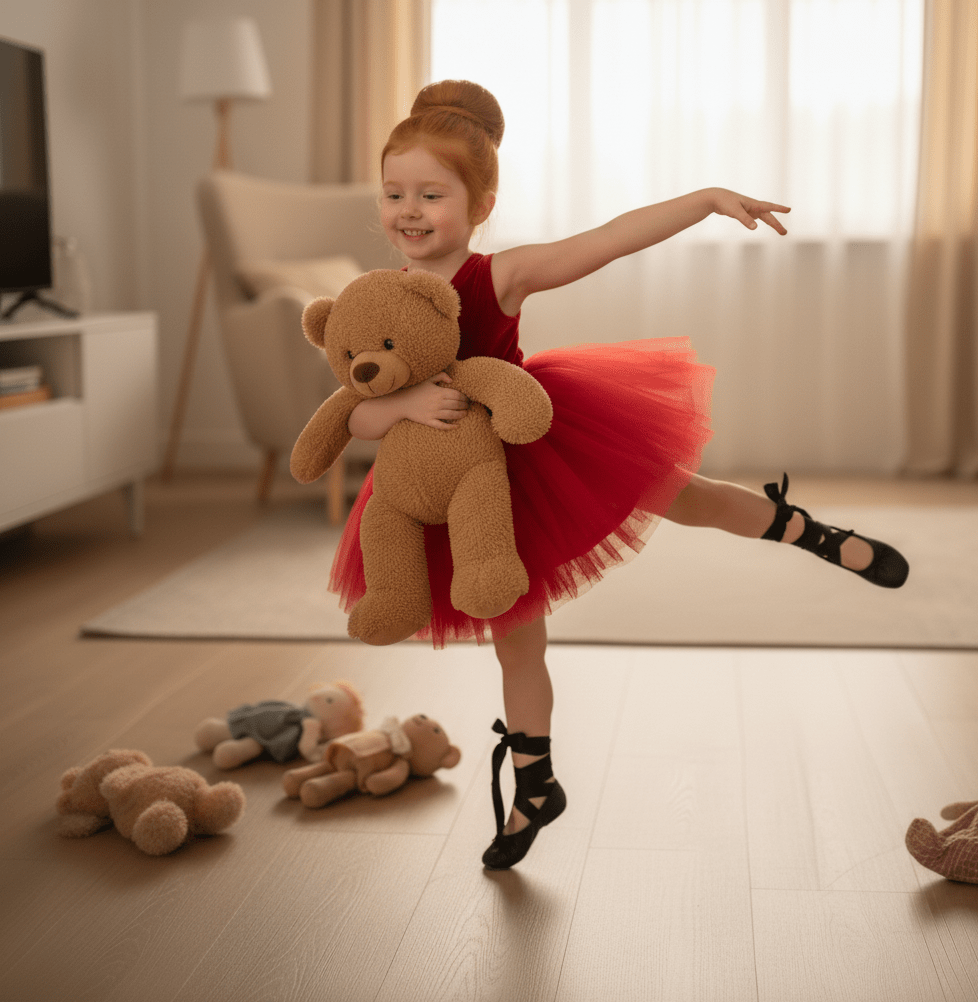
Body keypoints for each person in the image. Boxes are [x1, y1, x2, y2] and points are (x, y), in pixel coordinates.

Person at [326, 80, 909, 871]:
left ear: (480, 203)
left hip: (536, 447)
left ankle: (805, 530)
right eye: (395, 192)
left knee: (689, 499)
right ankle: (536, 782)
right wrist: (401, 408)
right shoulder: (374, 299)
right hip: (452, 492)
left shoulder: (499, 276)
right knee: (515, 642)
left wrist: (704, 199)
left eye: (432, 193)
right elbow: (353, 414)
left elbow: (606, 240)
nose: (410, 209)